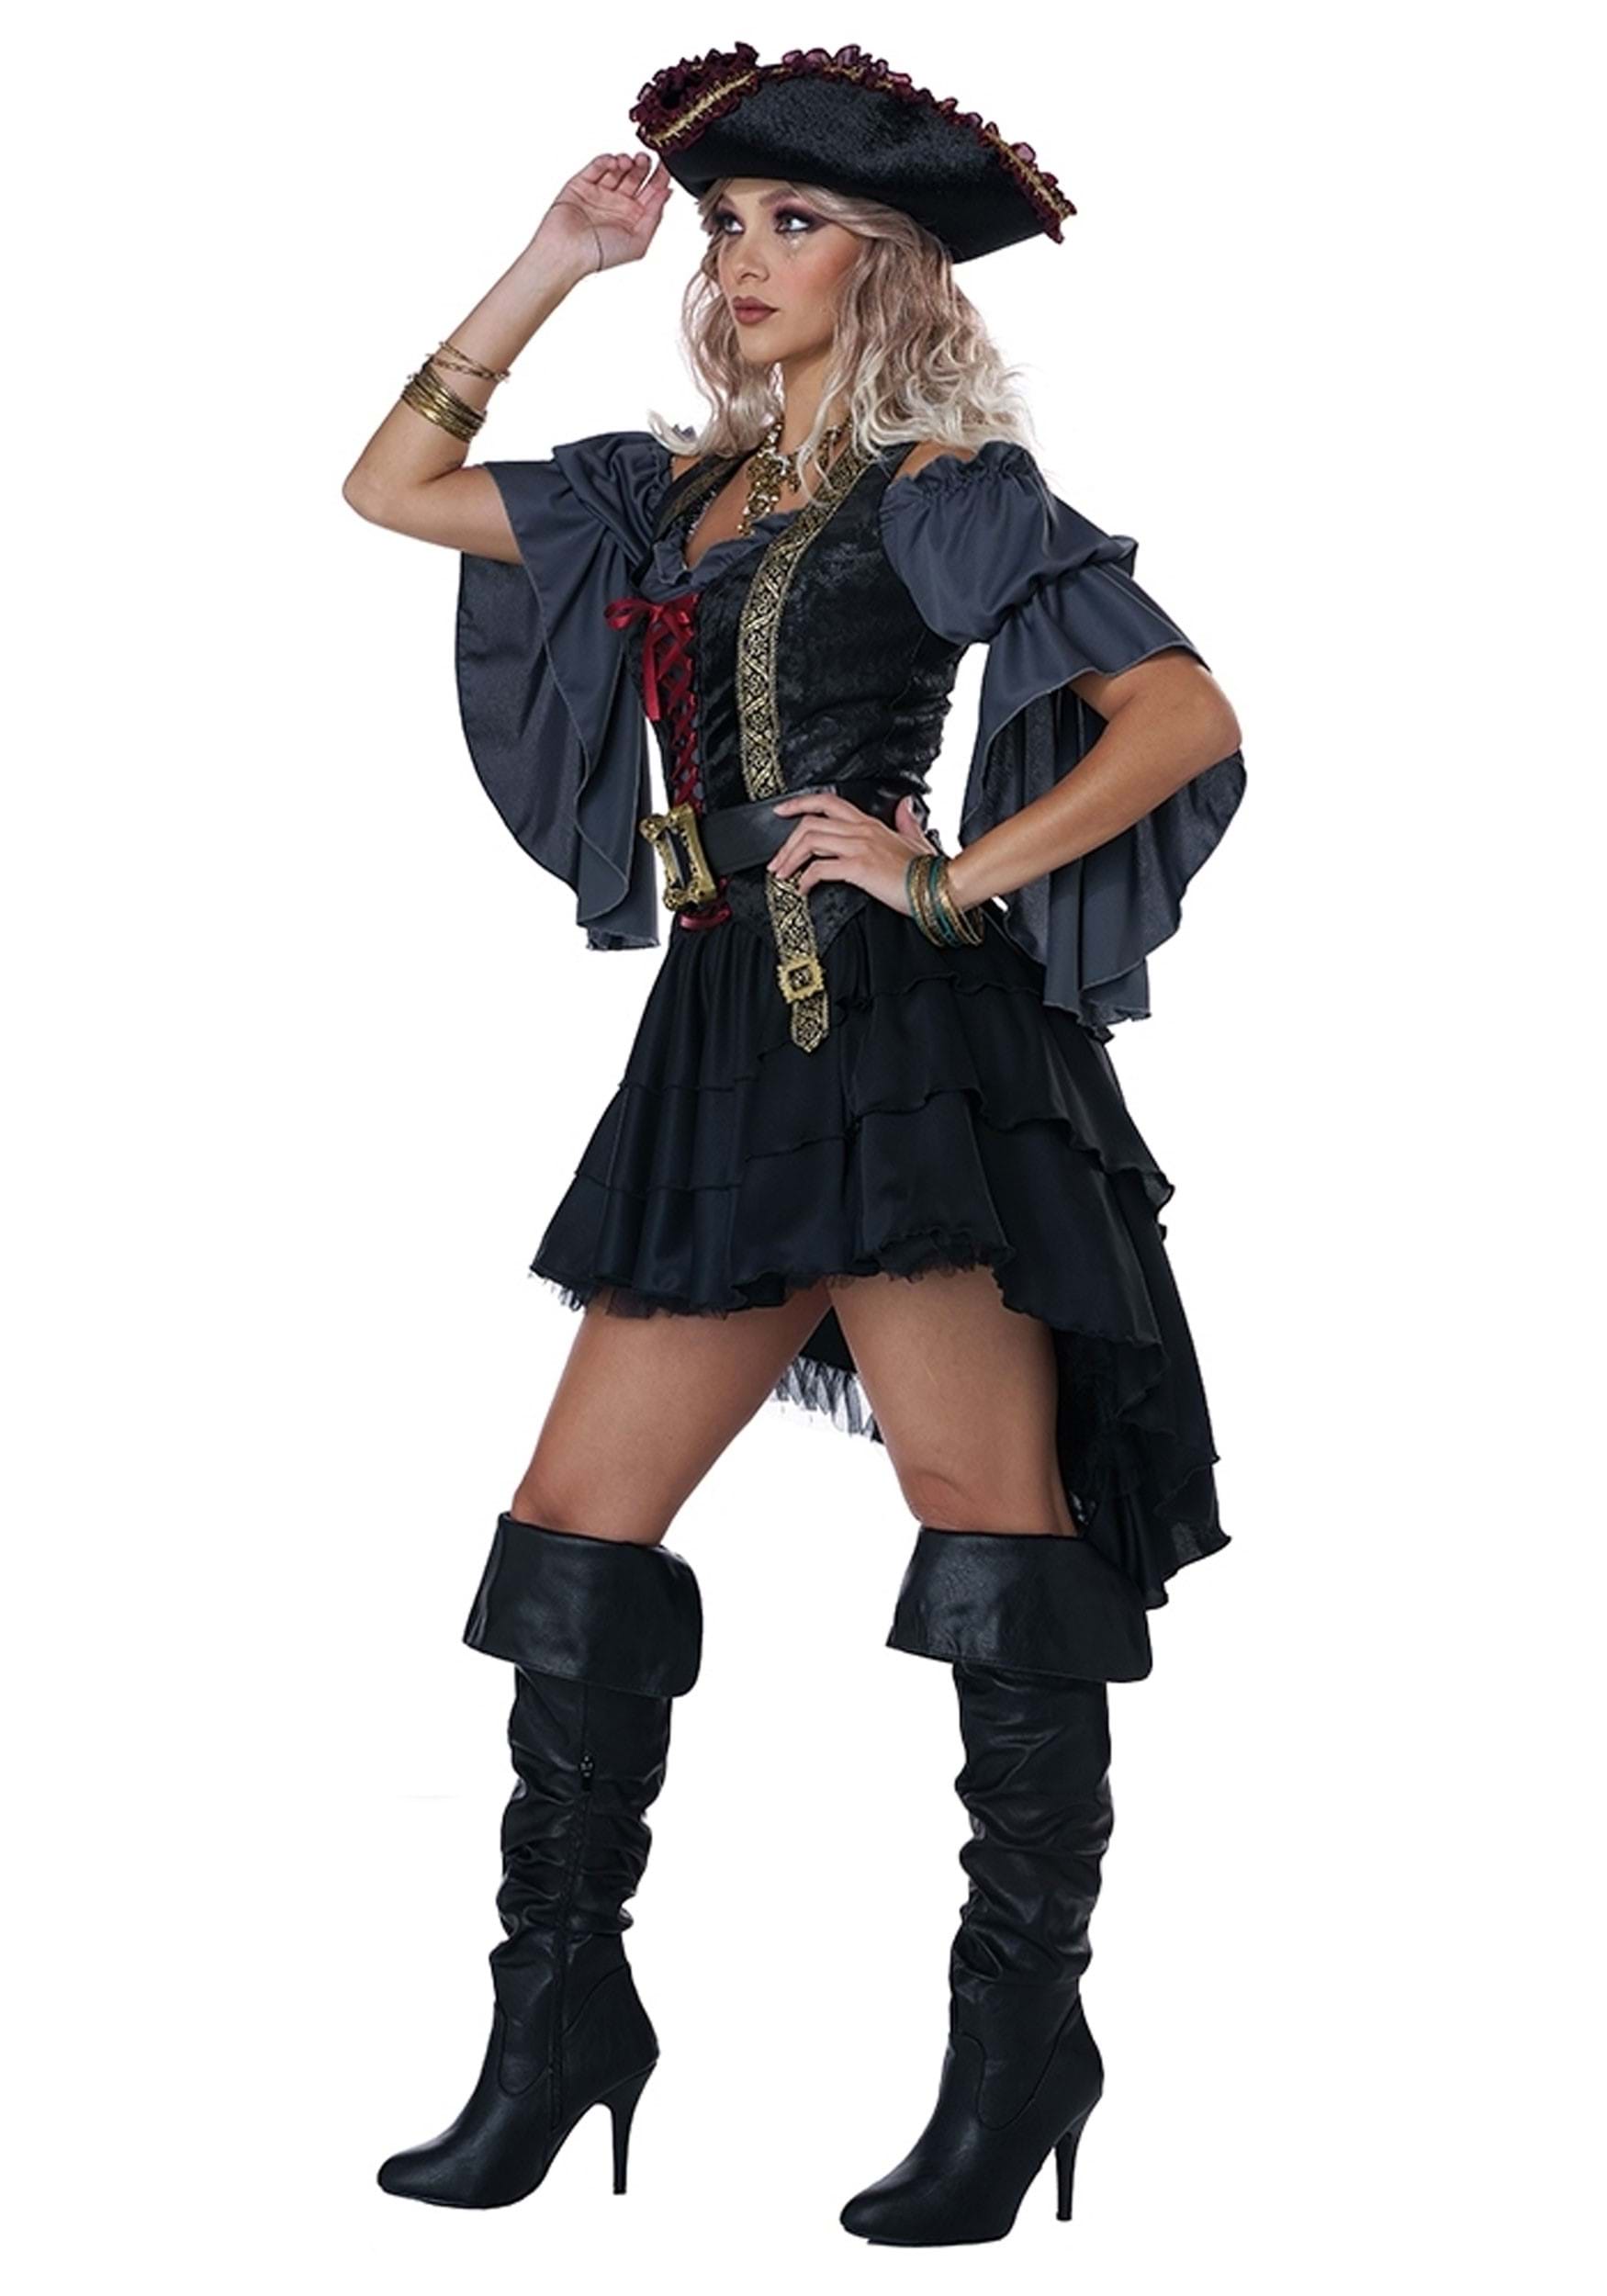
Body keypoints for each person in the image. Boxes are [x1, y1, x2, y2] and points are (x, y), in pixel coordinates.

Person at [343, 39, 1245, 2246]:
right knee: (574, 1526)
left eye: (793, 224)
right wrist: (549, 258)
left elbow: (1181, 711)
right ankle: (562, 2013)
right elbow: (390, 486)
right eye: (725, 224)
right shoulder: (664, 495)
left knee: (988, 1526)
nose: (741, 259)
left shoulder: (944, 489)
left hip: (909, 1041)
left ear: (888, 265)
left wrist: (953, 873)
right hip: (722, 1030)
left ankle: (1018, 2043)